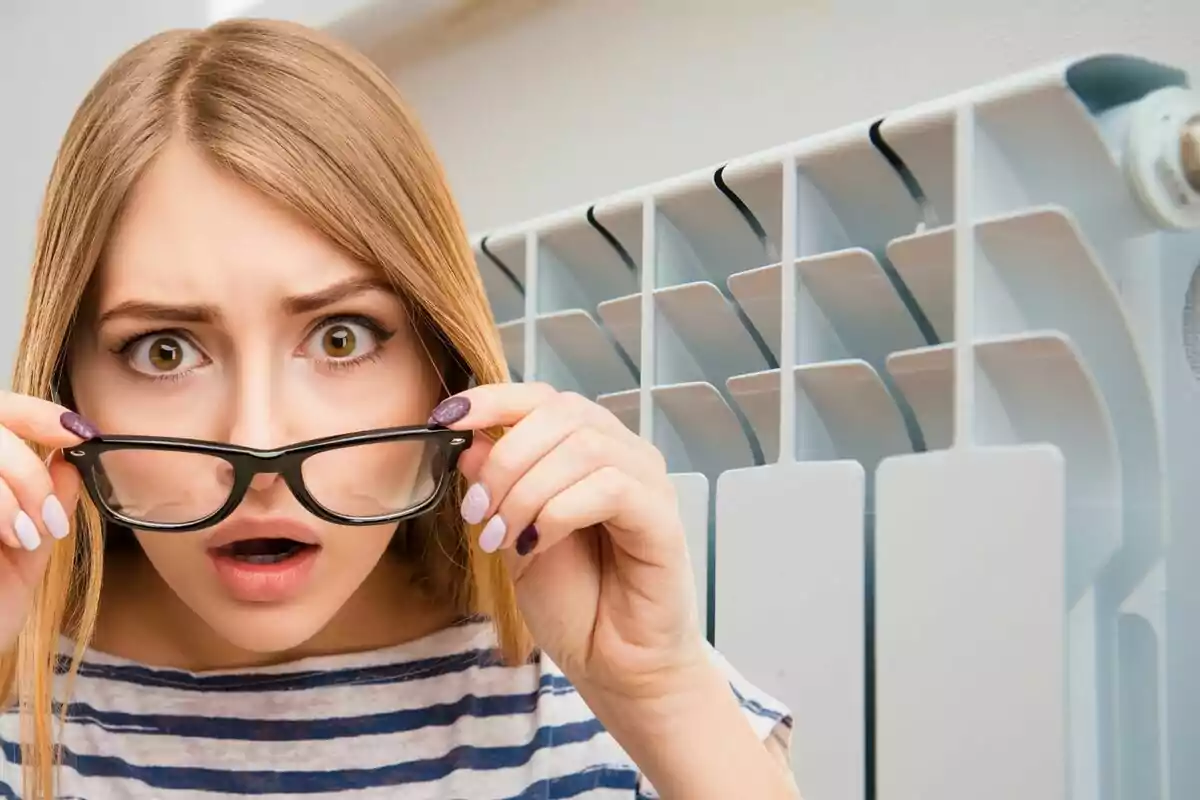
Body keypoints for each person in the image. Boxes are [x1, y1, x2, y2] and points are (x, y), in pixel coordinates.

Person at [0, 18, 799, 800]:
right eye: (164, 351)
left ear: (440, 366)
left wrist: (657, 696)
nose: (259, 444)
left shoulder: (615, 700)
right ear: (67, 386)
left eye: (341, 338)